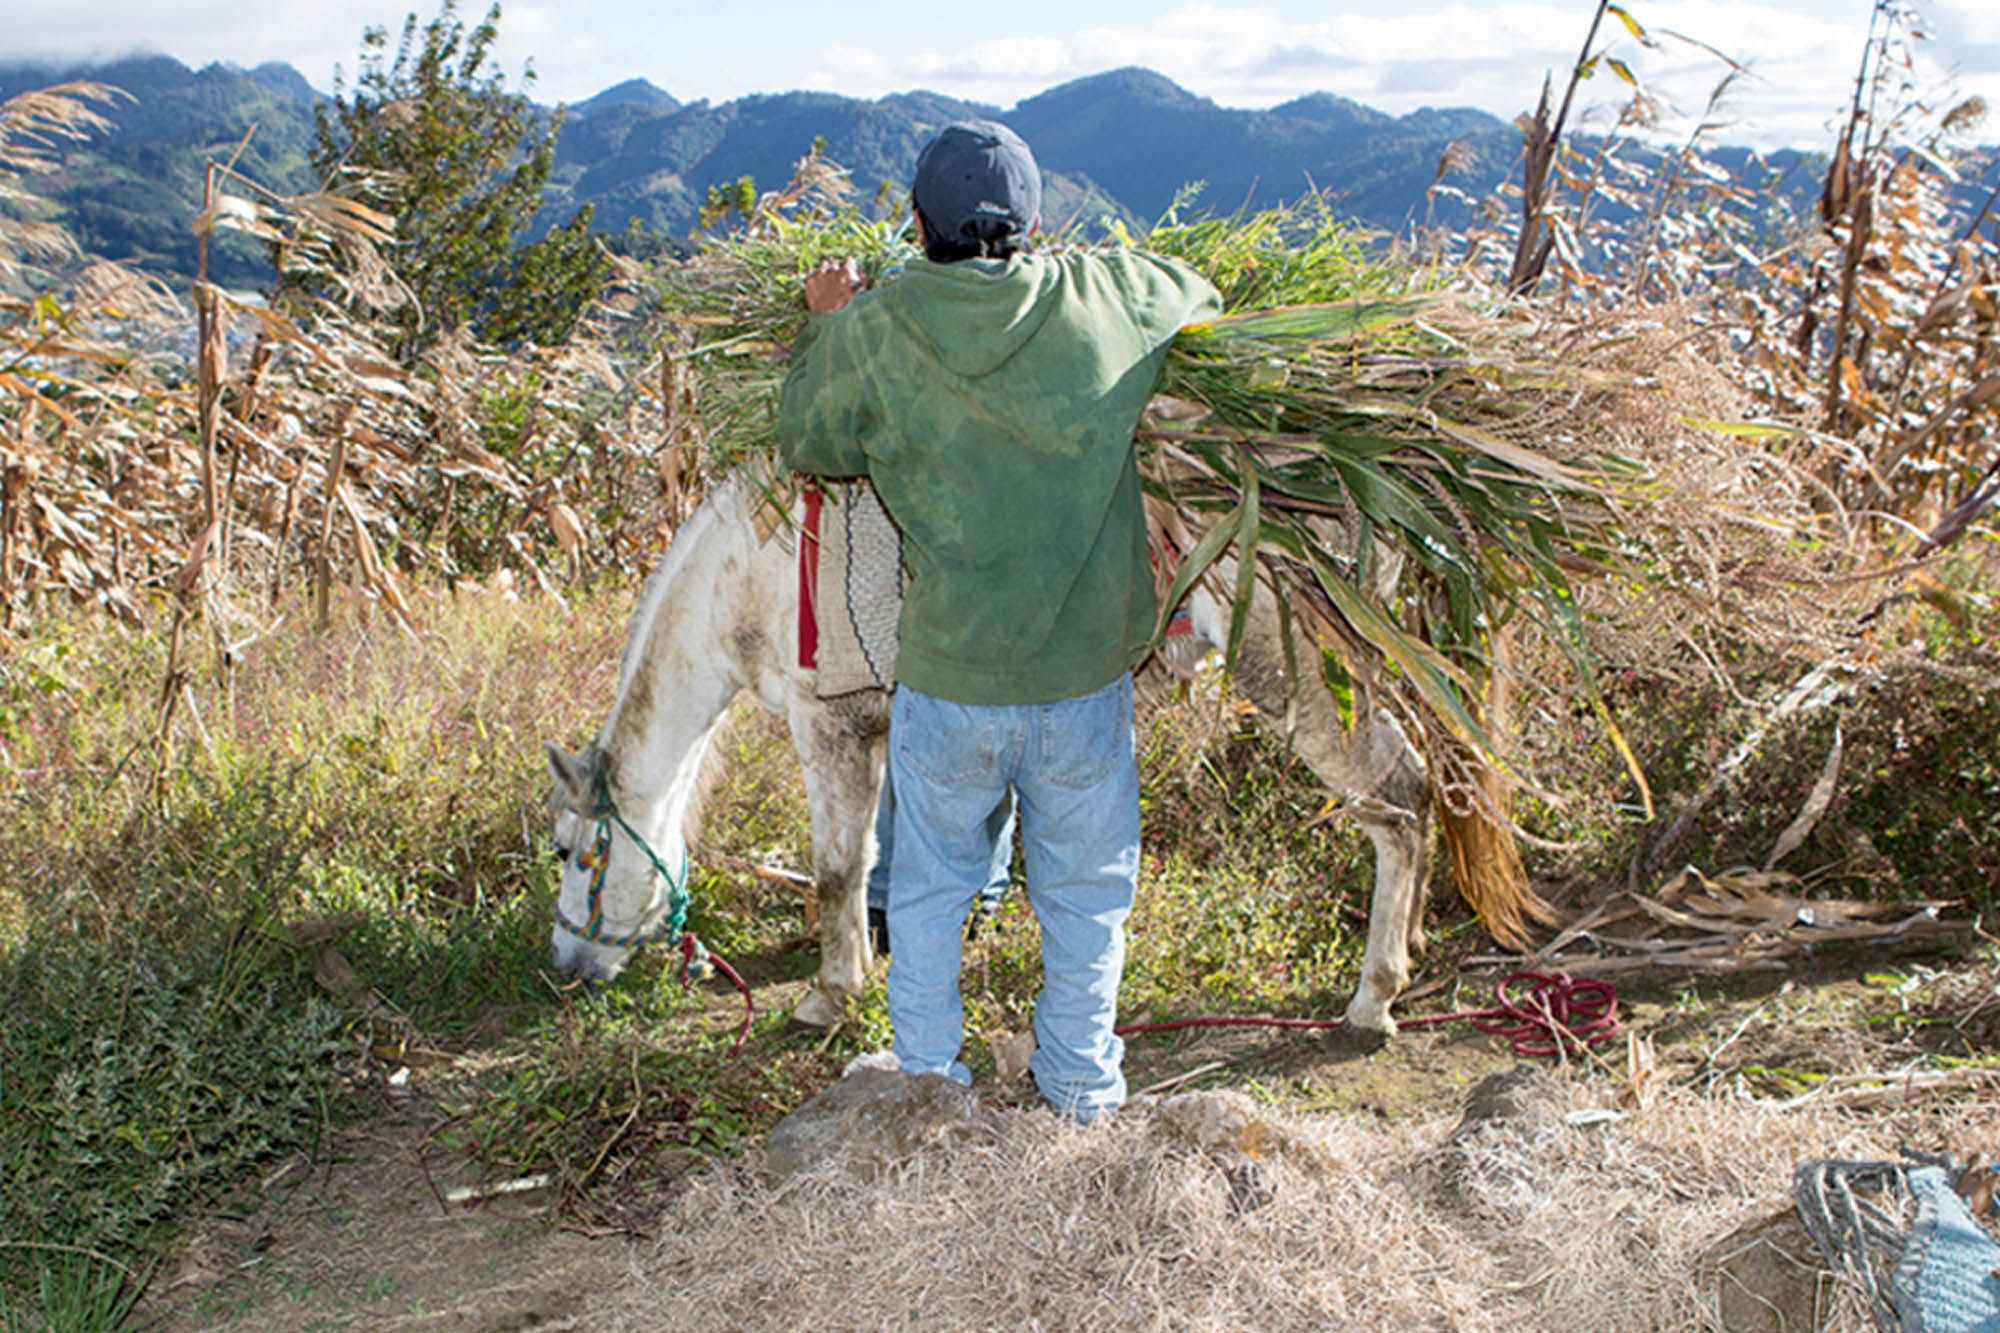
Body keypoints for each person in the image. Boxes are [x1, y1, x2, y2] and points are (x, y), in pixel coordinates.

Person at [777, 119, 1220, 1122]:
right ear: (1030, 221)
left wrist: (824, 320)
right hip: (1080, 681)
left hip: (951, 677)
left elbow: (805, 436)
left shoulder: (876, 330)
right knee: (1084, 893)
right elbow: (1196, 290)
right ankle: (1077, 1091)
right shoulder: (1099, 299)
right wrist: (1089, 273)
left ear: (915, 226)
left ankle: (931, 1086)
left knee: (931, 892)